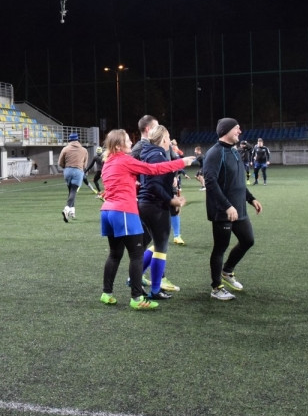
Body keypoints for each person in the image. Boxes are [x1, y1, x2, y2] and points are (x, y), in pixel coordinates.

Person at [98, 128, 195, 310]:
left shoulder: (108, 162)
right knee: (136, 255)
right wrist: (181, 162)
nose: (131, 143)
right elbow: (153, 169)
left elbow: (120, 182)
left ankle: (107, 293)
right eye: (127, 140)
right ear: (118, 146)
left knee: (114, 254)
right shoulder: (125, 160)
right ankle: (136, 298)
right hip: (124, 212)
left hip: (107, 212)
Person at [201, 118, 263, 300]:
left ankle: (227, 271)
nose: (240, 131)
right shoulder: (214, 153)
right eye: (237, 128)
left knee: (248, 240)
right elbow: (210, 181)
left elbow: (238, 180)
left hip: (239, 208)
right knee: (220, 248)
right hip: (223, 210)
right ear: (226, 130)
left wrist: (251, 199)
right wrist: (227, 206)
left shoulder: (234, 152)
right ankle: (216, 288)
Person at [138, 125, 187, 300]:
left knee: (157, 243)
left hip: (145, 204)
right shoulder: (157, 154)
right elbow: (153, 184)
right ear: (164, 139)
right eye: (168, 137)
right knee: (161, 247)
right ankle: (156, 290)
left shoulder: (147, 153)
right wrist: (170, 199)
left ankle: (134, 278)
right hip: (154, 205)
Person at [58, 132, 89, 222]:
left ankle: (72, 211)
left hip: (67, 171)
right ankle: (67, 209)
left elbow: (60, 162)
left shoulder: (65, 149)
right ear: (77, 139)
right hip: (78, 171)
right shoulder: (84, 150)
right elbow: (85, 164)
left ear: (69, 140)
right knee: (73, 191)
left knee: (71, 191)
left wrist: (66, 167)